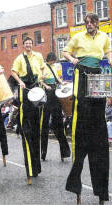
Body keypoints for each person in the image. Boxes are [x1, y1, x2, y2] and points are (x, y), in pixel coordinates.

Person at [62, 13, 112, 205]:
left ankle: (101, 193)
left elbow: (108, 52)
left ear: (97, 24)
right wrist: (72, 59)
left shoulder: (104, 37)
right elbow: (66, 52)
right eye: (87, 23)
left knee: (99, 126)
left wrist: (110, 59)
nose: (89, 25)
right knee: (82, 126)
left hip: (97, 75)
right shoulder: (78, 37)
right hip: (82, 74)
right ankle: (76, 187)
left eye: (92, 22)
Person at [11, 36, 45, 185]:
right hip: (25, 91)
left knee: (37, 131)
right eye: (26, 43)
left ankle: (36, 167)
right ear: (23, 45)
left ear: (32, 44)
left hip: (36, 89)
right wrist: (20, 82)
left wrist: (42, 76)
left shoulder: (38, 56)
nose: (28, 45)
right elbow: (13, 72)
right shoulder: (19, 58)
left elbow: (43, 69)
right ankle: (29, 169)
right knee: (27, 132)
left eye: (30, 43)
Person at [41, 52, 71, 161]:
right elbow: (40, 80)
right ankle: (43, 153)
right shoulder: (43, 66)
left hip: (55, 92)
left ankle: (64, 152)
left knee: (58, 123)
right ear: (48, 59)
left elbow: (57, 78)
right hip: (47, 94)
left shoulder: (56, 66)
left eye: (53, 60)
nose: (52, 62)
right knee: (44, 124)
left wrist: (62, 83)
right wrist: (45, 85)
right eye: (51, 60)